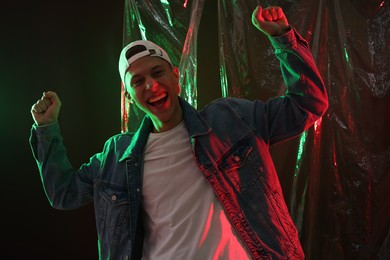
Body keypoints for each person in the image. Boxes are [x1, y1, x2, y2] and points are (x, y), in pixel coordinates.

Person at [30, 5, 328, 260]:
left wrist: (283, 38)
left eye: (157, 73)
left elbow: (308, 105)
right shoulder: (117, 156)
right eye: (138, 81)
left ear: (176, 77)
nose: (151, 86)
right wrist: (46, 128)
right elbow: (64, 194)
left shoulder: (230, 120)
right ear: (130, 96)